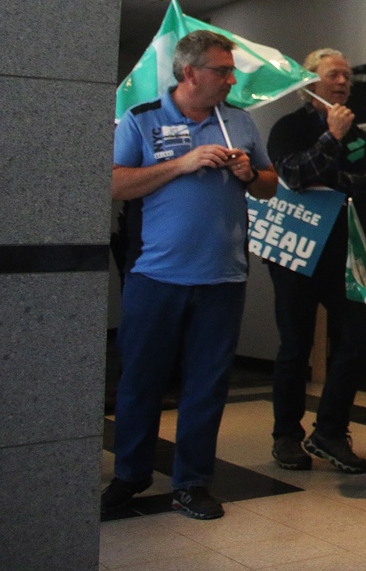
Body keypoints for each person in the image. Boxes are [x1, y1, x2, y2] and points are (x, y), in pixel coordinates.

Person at [104, 31, 279, 521]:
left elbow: (270, 186)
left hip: (223, 276)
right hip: (155, 275)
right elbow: (114, 184)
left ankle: (193, 482)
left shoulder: (239, 122)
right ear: (189, 73)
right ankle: (130, 474)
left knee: (207, 384)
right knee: (141, 380)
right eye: (222, 70)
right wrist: (183, 163)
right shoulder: (142, 119)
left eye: (231, 70)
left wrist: (249, 173)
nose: (231, 78)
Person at [266, 48, 366, 474]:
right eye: (334, 75)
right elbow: (294, 176)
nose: (343, 83)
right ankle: (286, 436)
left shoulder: (360, 134)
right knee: (295, 347)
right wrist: (329, 140)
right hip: (295, 253)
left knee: (359, 336)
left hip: (342, 255)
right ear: (309, 84)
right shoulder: (288, 128)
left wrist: (328, 177)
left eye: (347, 76)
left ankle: (330, 431)